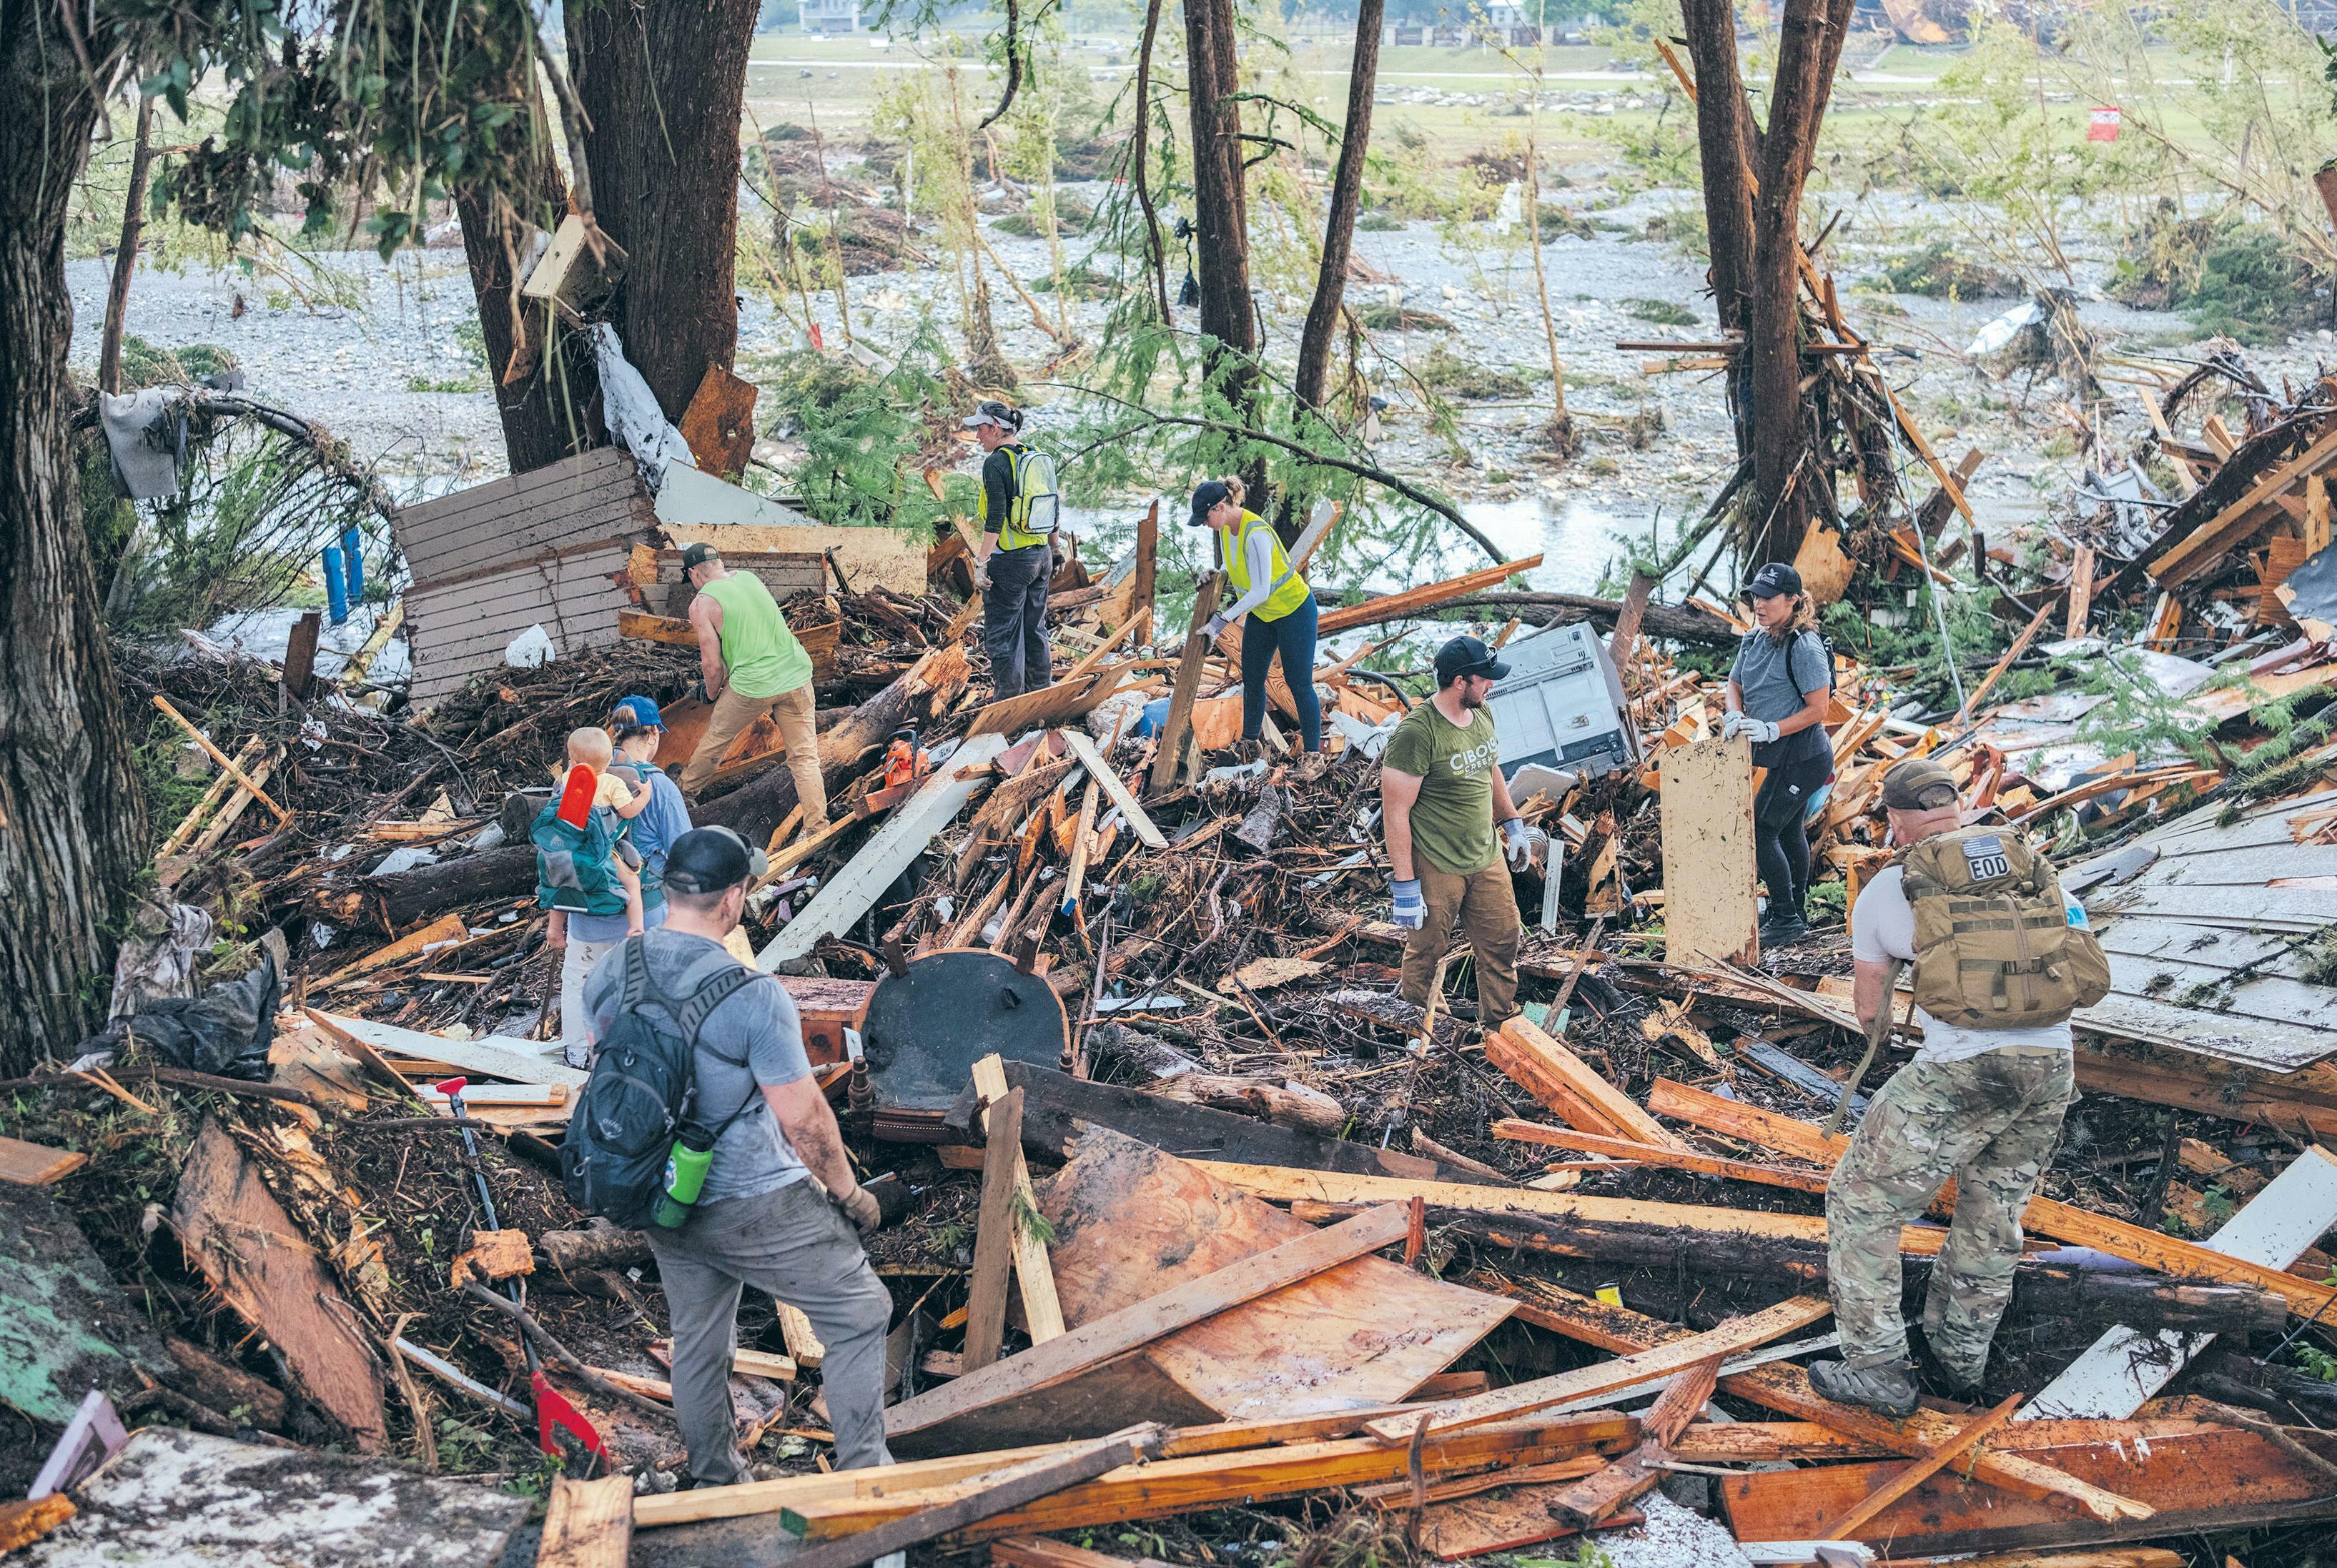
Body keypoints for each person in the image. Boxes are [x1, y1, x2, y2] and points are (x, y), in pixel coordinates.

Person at [584, 827, 894, 1484]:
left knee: (698, 1337)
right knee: (860, 1311)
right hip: (750, 1198)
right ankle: (867, 1478)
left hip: (657, 1191)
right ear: (733, 899)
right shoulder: (752, 995)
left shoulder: (613, 969)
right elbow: (805, 1120)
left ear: (669, 889)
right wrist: (849, 1195)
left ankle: (716, 1479)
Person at [1811, 757, 2105, 1414]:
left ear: (1892, 819)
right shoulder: (2031, 867)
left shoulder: (1891, 888)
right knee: (1991, 1216)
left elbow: (1869, 1011)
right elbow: (2079, 951)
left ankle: (1878, 1365)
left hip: (1960, 1069)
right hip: (2051, 1066)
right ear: (1960, 807)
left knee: (1860, 1202)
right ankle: (1958, 1366)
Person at [1380, 635, 1545, 1031]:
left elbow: (1490, 771)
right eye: (1484, 677)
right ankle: (1416, 1032)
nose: (1491, 684)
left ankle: (1500, 1025)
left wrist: (1512, 824)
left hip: (1485, 855)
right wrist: (1405, 886)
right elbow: (1395, 812)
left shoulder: (1482, 713)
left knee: (1503, 941)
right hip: (1438, 862)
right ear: (1459, 682)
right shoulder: (1417, 733)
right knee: (1427, 952)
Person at [1722, 561, 1834, 950]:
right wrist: (1734, 712)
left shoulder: (1804, 646)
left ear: (1793, 601)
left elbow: (1819, 708)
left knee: (1761, 828)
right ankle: (1796, 910)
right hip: (1782, 757)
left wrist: (1772, 728)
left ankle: (1785, 917)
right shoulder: (1754, 639)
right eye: (1756, 596)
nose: (1760, 604)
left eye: (1769, 598)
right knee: (1787, 829)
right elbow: (1733, 684)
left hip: (1805, 757)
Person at [678, 544, 824, 835]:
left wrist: (710, 694)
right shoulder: (749, 578)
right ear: (719, 563)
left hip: (753, 685)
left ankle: (684, 794)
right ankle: (818, 828)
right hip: (796, 674)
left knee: (718, 736)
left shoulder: (701, 604)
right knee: (805, 757)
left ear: (694, 573)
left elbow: (712, 667)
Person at [543, 728, 665, 1066]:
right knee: (633, 885)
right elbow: (628, 813)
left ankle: (576, 1053)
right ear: (610, 760)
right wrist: (645, 794)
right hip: (606, 854)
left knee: (575, 983)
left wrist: (557, 928)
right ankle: (635, 925)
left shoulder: (564, 783)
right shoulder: (611, 783)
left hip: (572, 860)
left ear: (572, 761)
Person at [1191, 477, 1327, 778]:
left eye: (1206, 517)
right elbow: (1237, 568)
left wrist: (1222, 620)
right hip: (1264, 616)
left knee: (1298, 682)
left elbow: (1260, 590)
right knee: (1252, 678)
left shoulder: (1256, 535)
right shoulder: (1226, 529)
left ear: (1222, 506)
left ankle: (1314, 756)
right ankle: (1250, 744)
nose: (1204, 524)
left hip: (1294, 612)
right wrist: (1215, 575)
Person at [966, 400, 1059, 702]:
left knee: (1004, 634)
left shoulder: (996, 462)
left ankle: (1008, 705)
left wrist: (982, 561)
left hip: (1009, 563)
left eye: (980, 429)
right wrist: (1056, 548)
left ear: (995, 427)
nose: (977, 436)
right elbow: (1052, 505)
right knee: (1034, 628)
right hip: (1041, 557)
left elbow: (996, 515)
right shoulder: (1033, 456)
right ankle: (1040, 697)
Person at [608, 695, 695, 893]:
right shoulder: (659, 785)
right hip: (642, 908)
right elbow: (685, 855)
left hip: (583, 907)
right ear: (654, 732)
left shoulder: (593, 774)